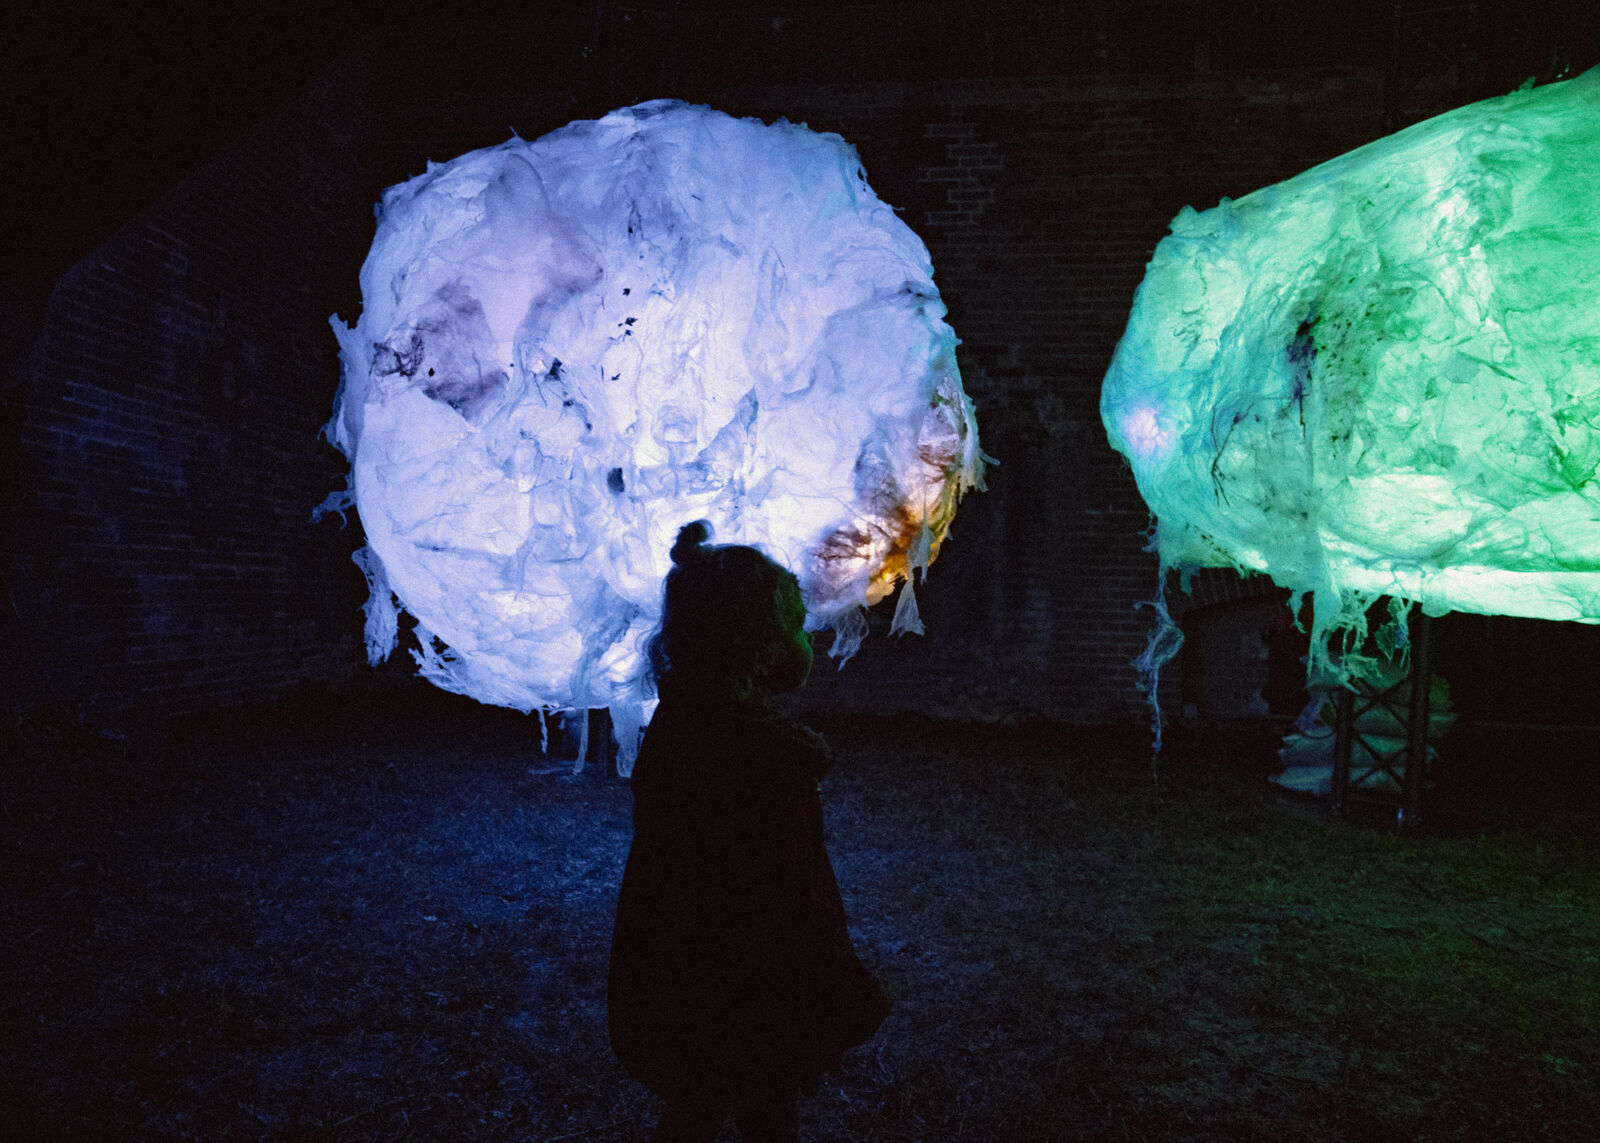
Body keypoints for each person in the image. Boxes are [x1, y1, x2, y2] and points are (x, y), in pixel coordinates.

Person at [608, 520, 891, 1143]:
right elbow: (794, 891)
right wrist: (838, 982)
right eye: (795, 626)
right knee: (766, 1112)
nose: (805, 640)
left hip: (685, 983)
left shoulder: (682, 729)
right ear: (756, 645)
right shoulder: (760, 759)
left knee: (696, 1107)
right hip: (752, 993)